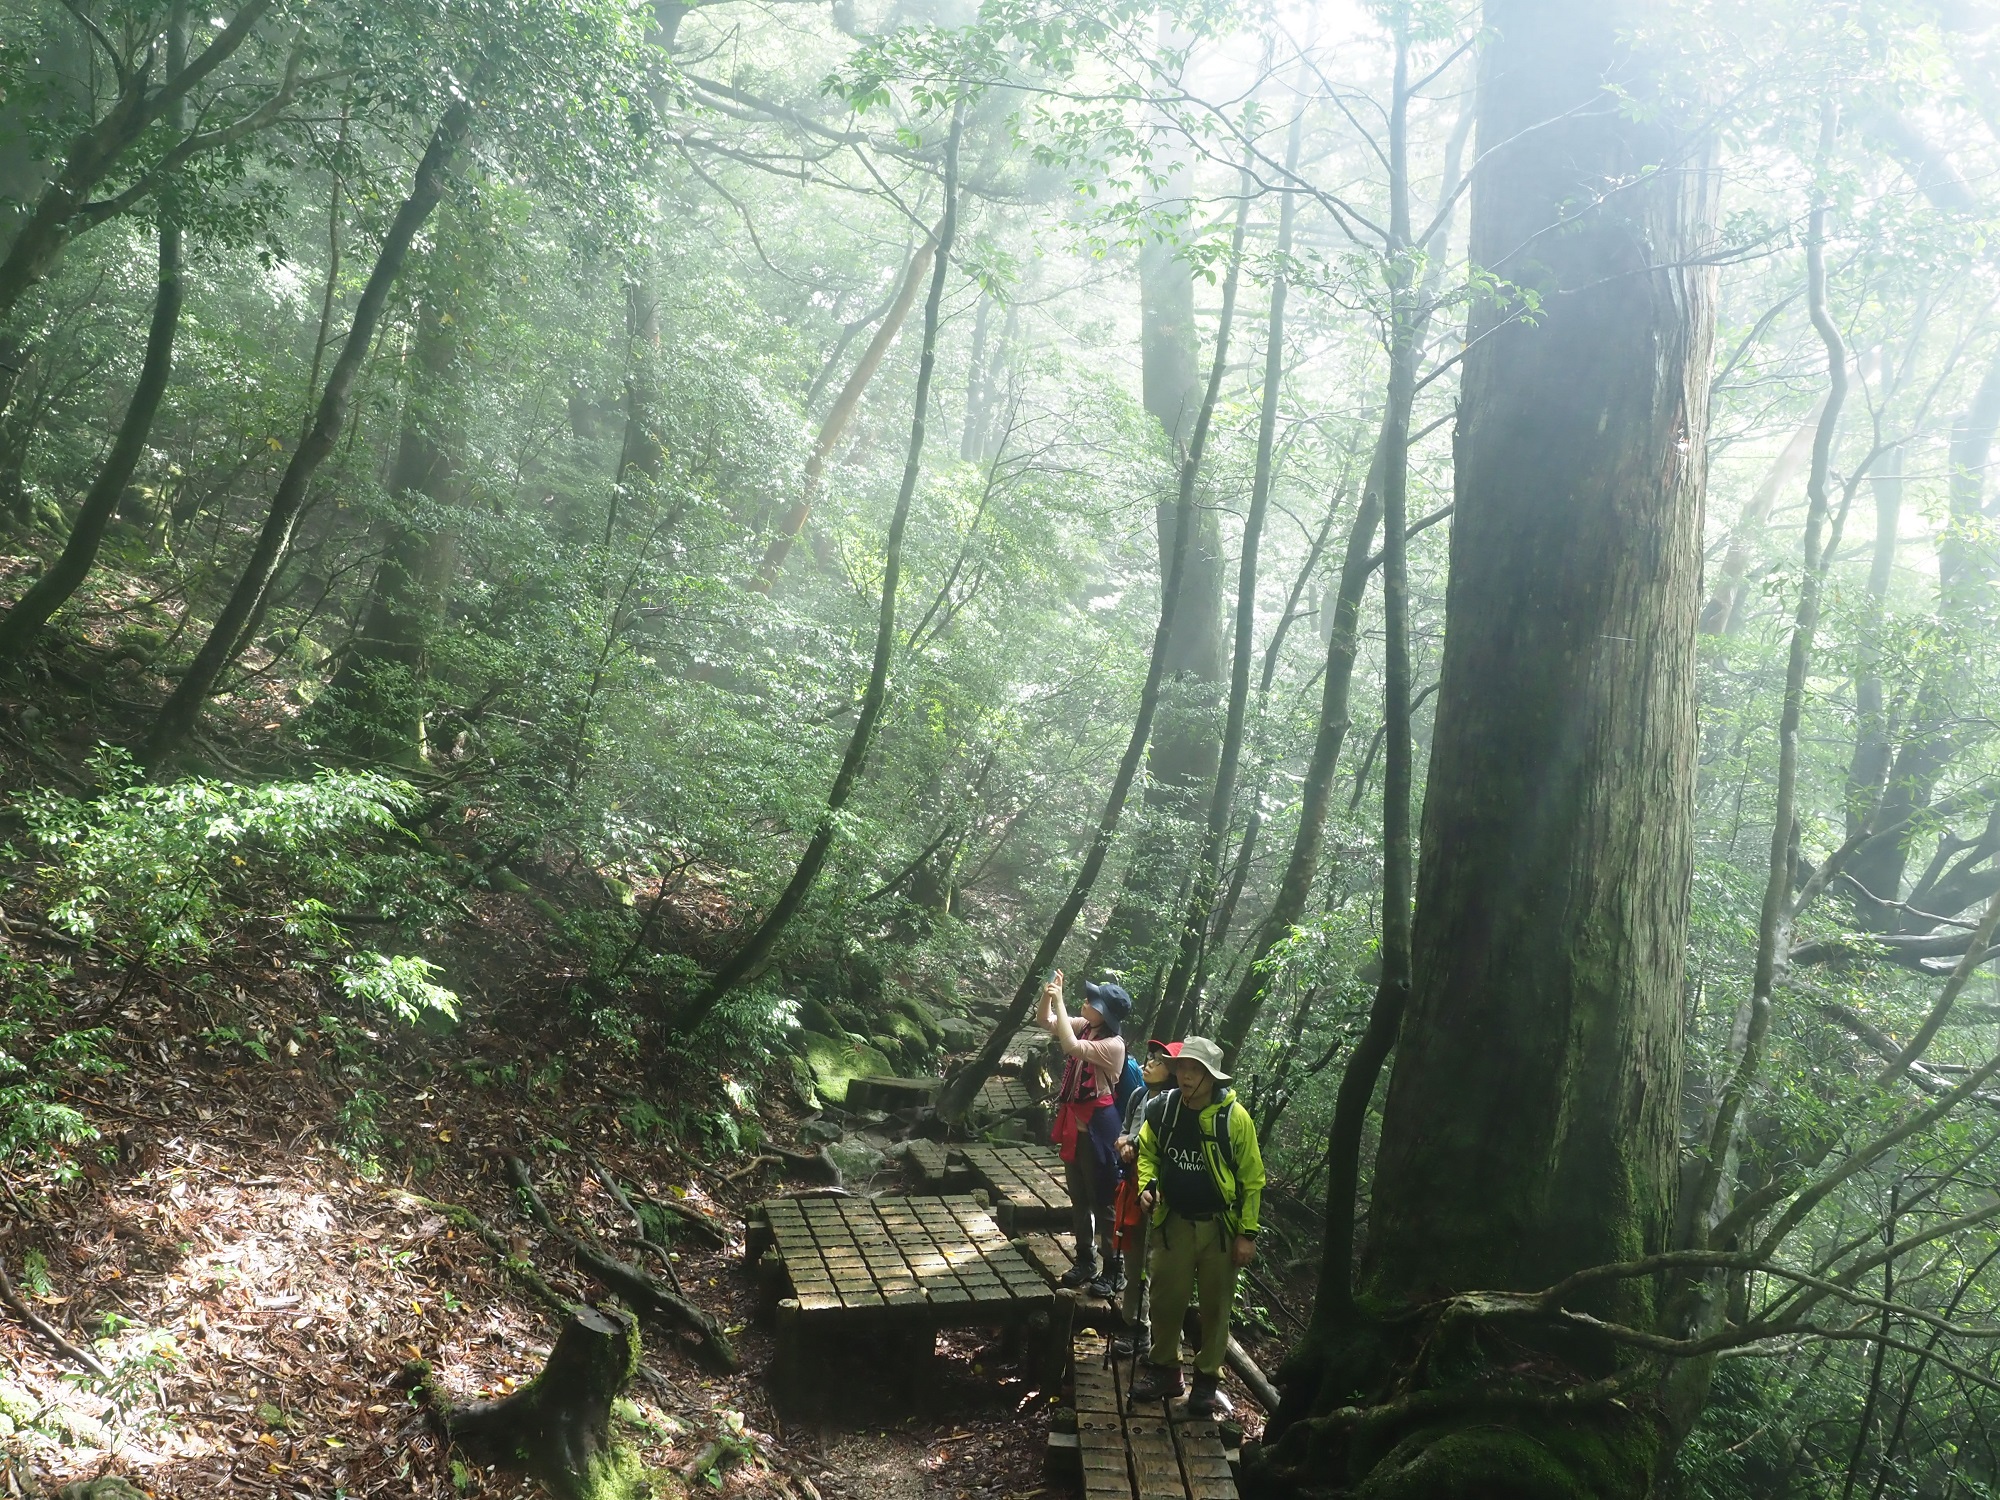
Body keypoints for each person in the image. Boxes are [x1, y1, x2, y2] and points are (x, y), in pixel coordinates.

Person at [1127, 1035, 1265, 1415]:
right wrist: (1146, 1186)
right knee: (1165, 1299)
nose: (1186, 1076)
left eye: (1196, 1070)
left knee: (1215, 1307)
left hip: (1219, 1229)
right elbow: (1149, 1153)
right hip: (1173, 1223)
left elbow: (1252, 1180)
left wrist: (1247, 1234)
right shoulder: (1164, 1110)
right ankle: (1166, 1371)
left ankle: (1206, 1381)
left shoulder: (1234, 1119)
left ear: (1212, 1077)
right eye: (1183, 1068)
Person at [1037, 969, 1130, 1299]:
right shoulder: (1087, 1027)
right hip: (1075, 1127)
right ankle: (1085, 1261)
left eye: (1092, 1002)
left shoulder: (1112, 1045)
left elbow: (1070, 1046)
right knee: (1078, 1199)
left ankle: (1113, 1270)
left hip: (1100, 1130)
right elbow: (1045, 1020)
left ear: (1104, 1012)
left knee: (1103, 1202)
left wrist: (1061, 1001)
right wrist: (1050, 995)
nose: (1085, 1003)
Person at [1110, 1038, 1178, 1359]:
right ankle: (1134, 1326)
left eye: (1159, 1061)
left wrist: (1132, 1145)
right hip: (1132, 1185)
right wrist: (1123, 1143)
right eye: (1151, 1057)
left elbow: (1151, 1145)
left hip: (1155, 1191)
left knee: (1150, 1264)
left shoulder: (1170, 1106)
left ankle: (1145, 1329)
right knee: (1134, 1258)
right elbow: (1125, 1130)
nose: (1149, 1064)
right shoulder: (1138, 1095)